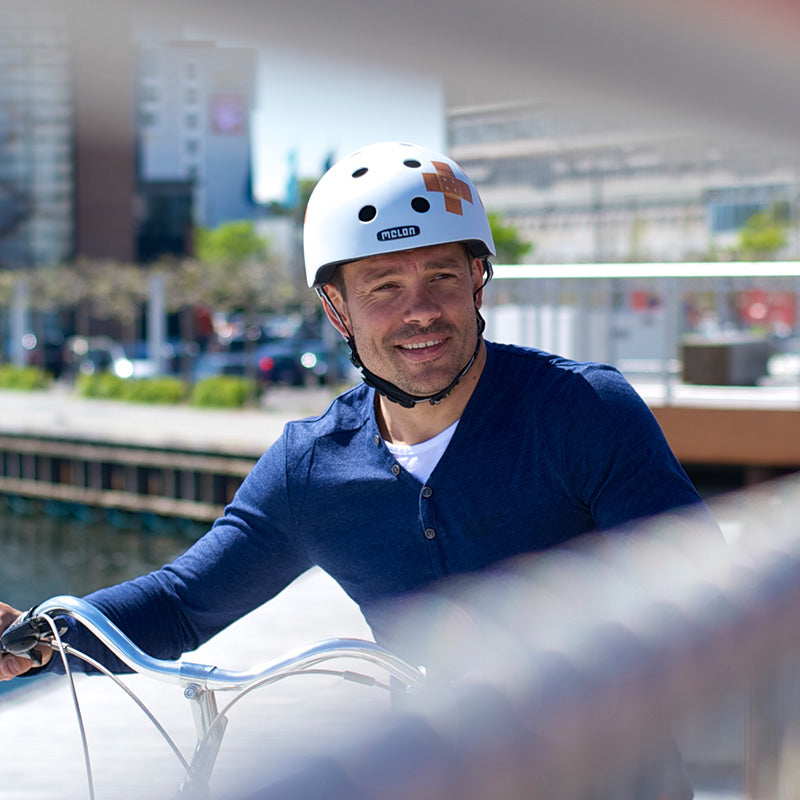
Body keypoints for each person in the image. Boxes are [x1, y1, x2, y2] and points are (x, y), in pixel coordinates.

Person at [1, 141, 709, 797]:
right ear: (336, 309)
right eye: (383, 287)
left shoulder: (580, 411)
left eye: (442, 276)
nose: (421, 311)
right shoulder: (312, 468)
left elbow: (697, 579)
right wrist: (32, 637)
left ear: (478, 281)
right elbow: (181, 603)